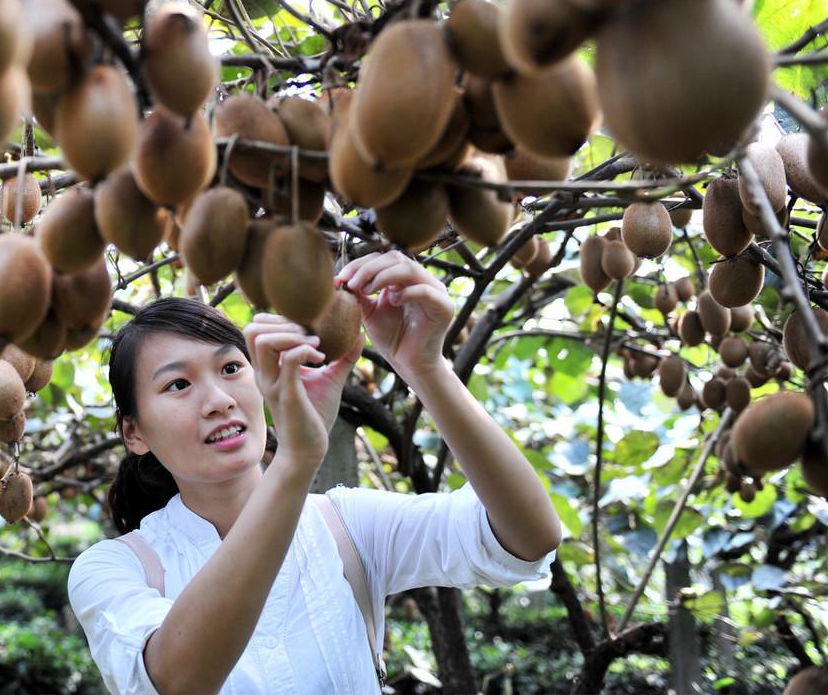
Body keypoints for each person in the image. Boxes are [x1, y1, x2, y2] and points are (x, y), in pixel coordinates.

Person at [67, 251, 563, 695]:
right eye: (178, 384)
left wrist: (426, 367)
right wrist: (295, 462)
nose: (218, 401)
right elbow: (180, 680)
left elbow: (528, 537)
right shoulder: (111, 570)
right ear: (134, 434)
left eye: (231, 369)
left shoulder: (347, 524)